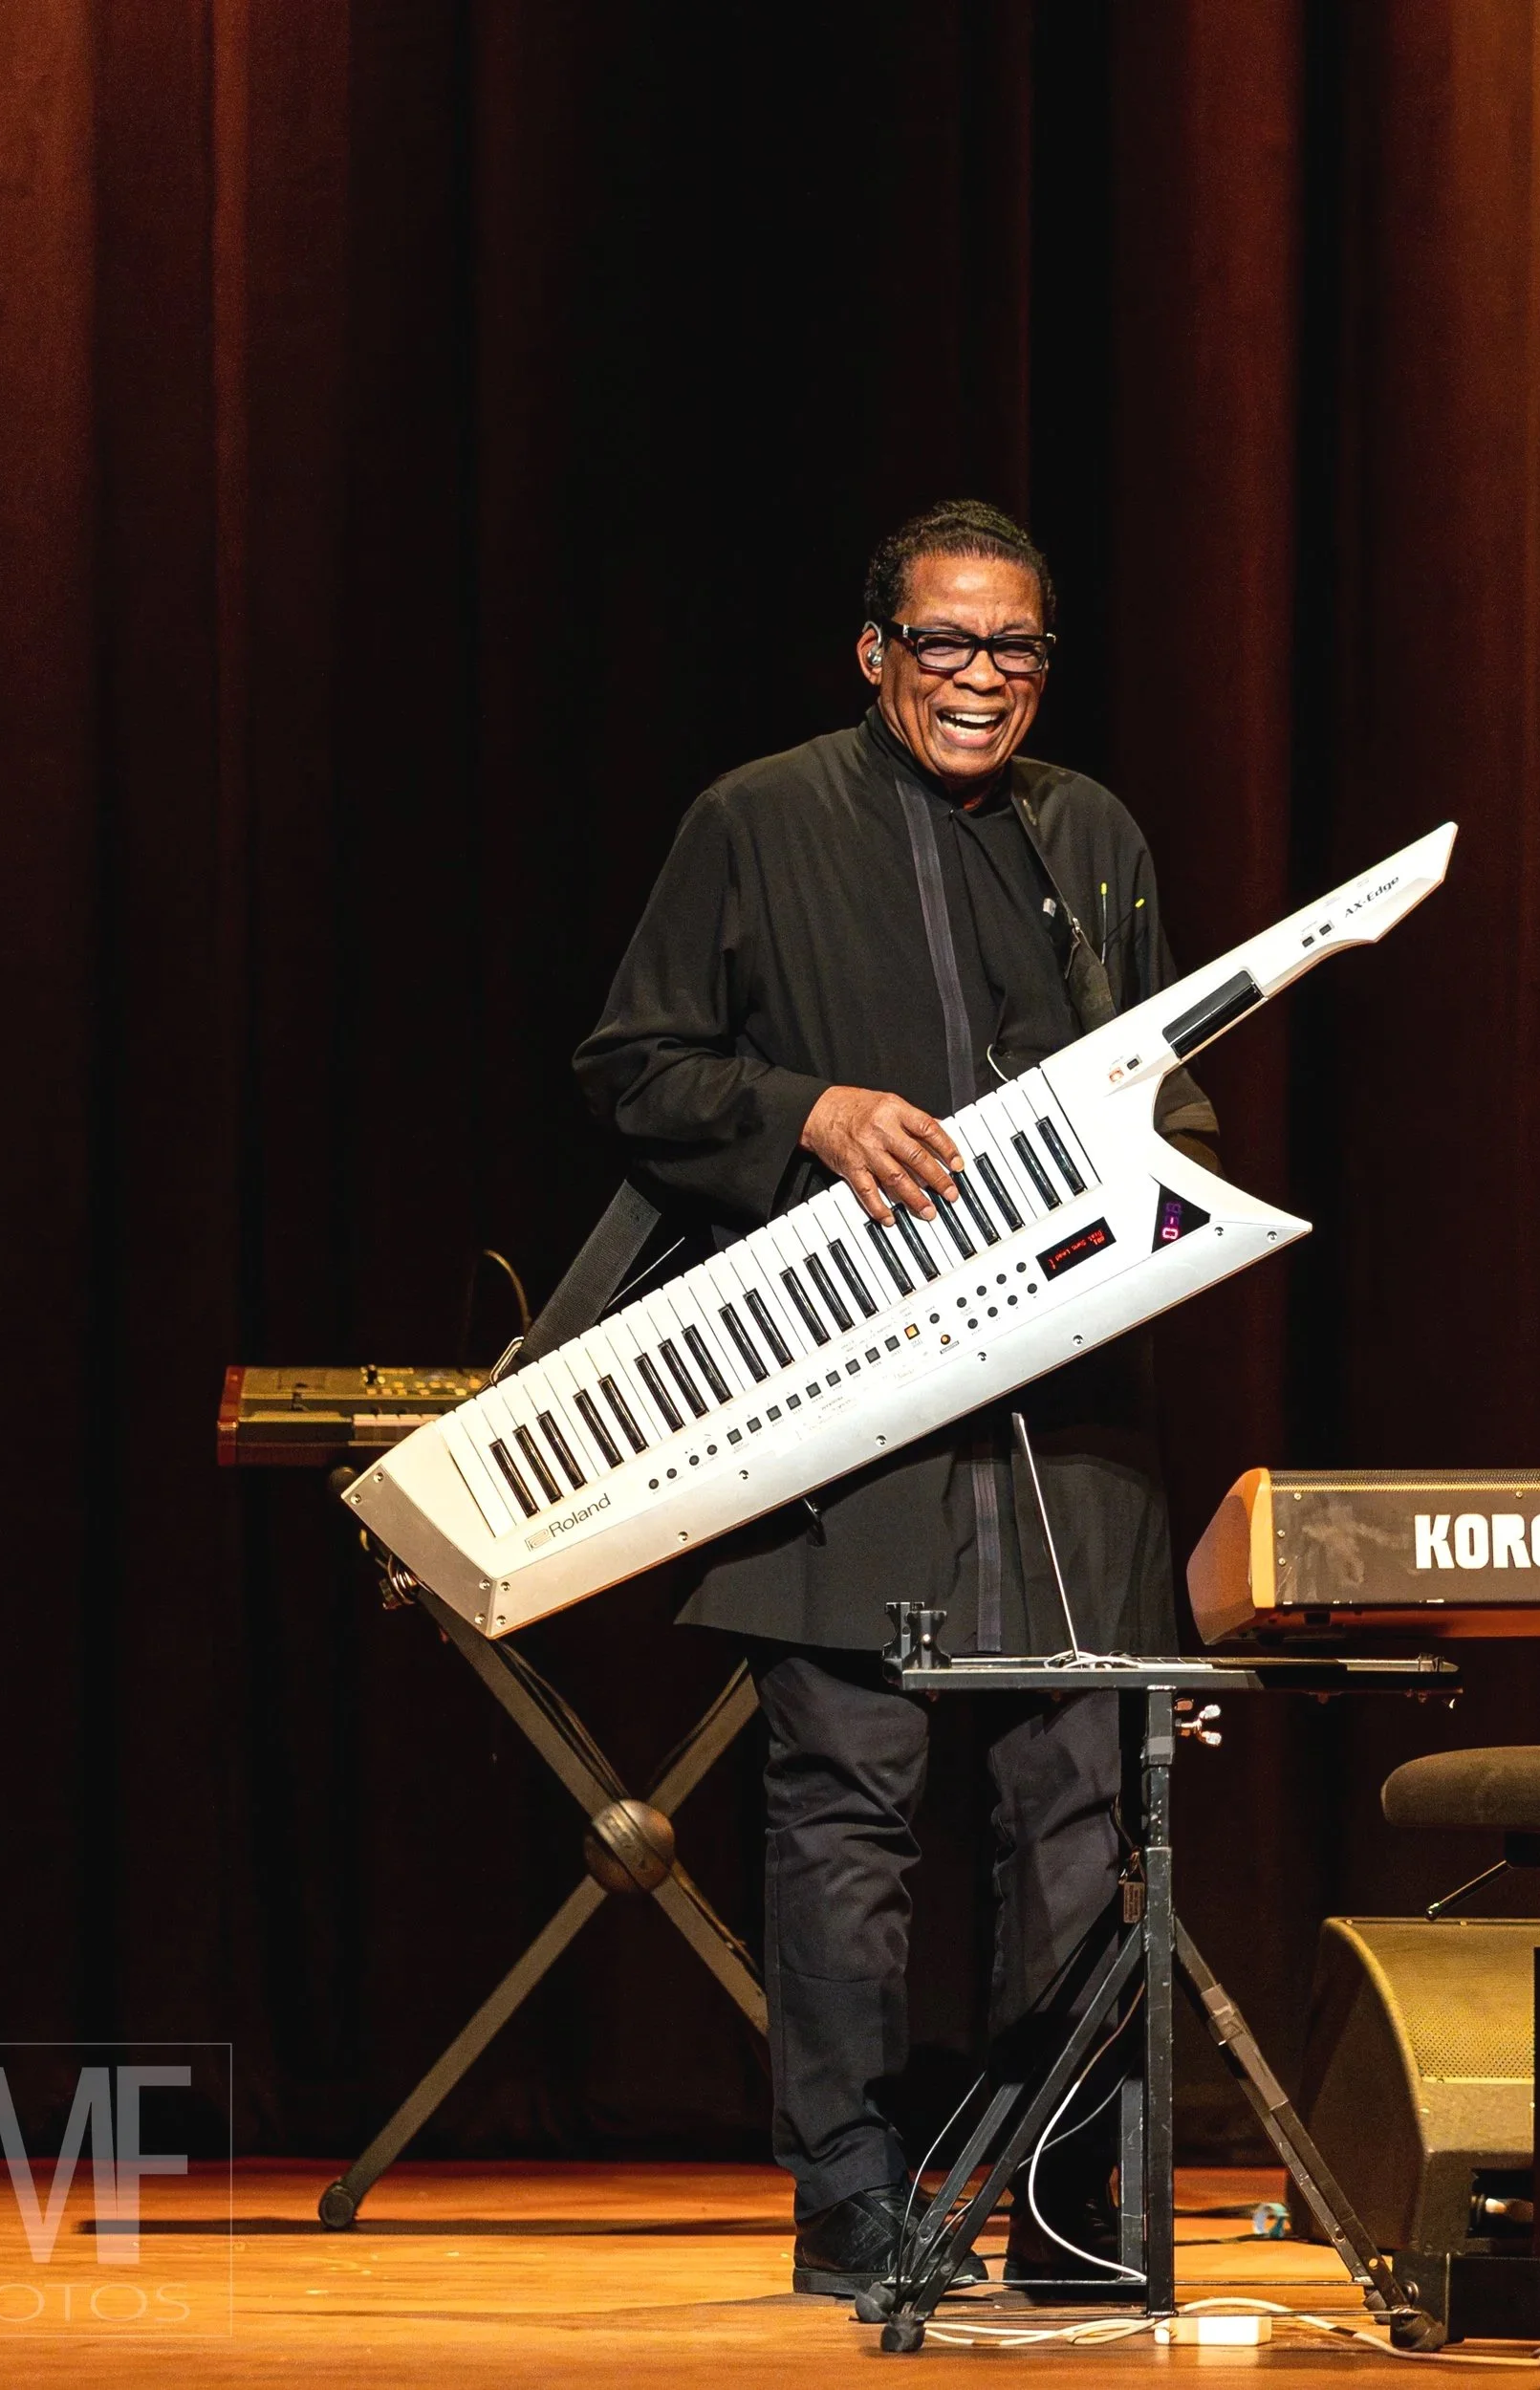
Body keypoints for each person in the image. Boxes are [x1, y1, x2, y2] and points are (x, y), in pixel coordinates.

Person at [575, 500, 1216, 2294]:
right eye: (945, 644)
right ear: (874, 656)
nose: (981, 681)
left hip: (1067, 1413)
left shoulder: (1089, 832)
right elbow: (635, 1064)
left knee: (1085, 1811)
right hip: (848, 1394)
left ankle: (1076, 2204)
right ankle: (852, 2198)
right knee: (843, 1807)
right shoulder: (756, 818)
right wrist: (808, 1113)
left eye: (1014, 649)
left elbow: (1162, 1080)